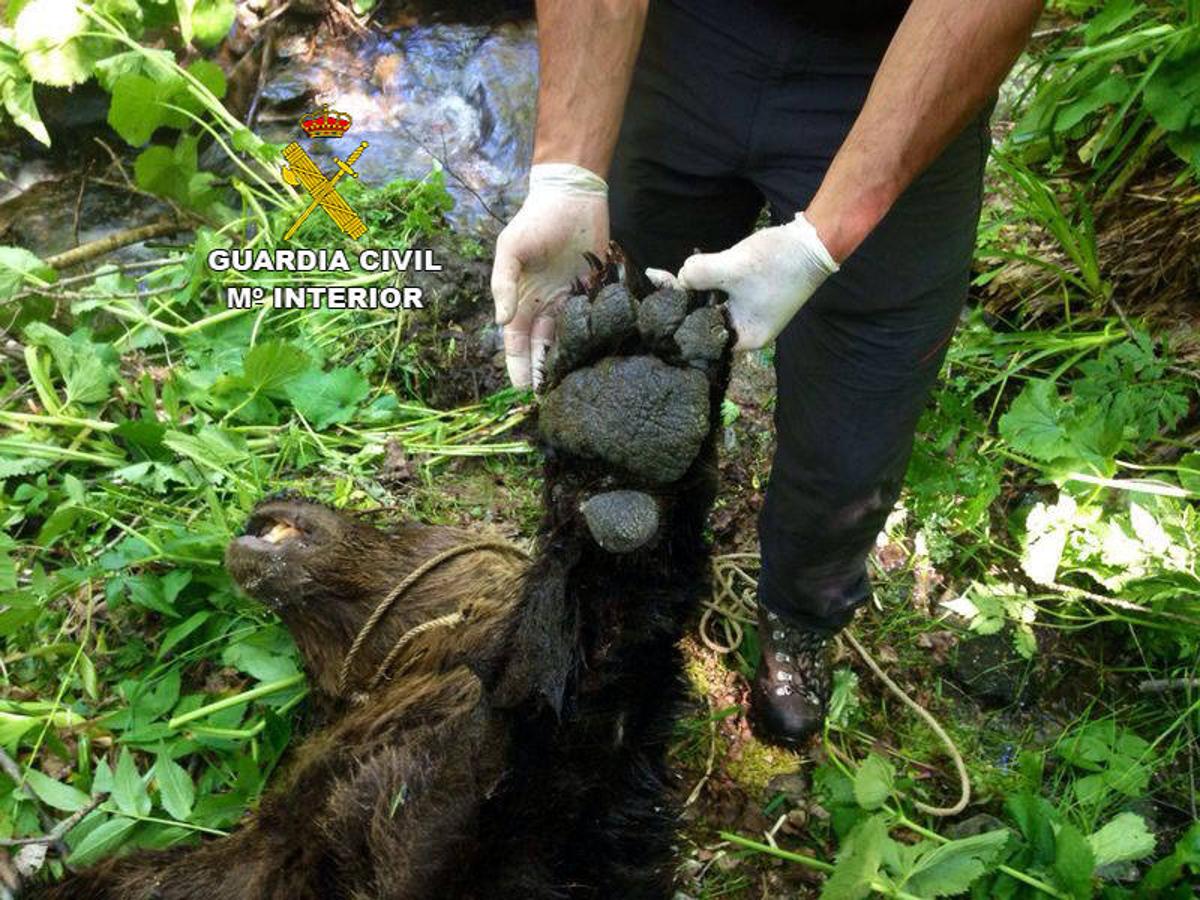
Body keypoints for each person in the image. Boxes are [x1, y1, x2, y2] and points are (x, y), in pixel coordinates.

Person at [490, 0, 1043, 747]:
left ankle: (799, 618)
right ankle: (621, 585)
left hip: (904, 53)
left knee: (852, 441)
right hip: (681, 36)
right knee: (625, 364)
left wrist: (824, 240)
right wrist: (569, 173)